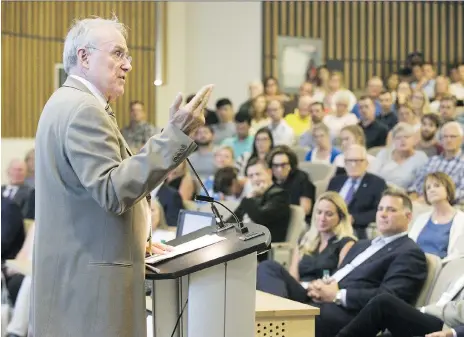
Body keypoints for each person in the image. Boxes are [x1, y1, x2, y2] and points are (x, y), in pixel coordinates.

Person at [30, 16, 213, 337]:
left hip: (79, 279)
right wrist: (174, 135)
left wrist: (132, 242)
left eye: (127, 56)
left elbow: (85, 199)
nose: (127, 65)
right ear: (84, 57)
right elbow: (112, 191)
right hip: (93, 292)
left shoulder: (65, 102)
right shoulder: (84, 109)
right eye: (117, 53)